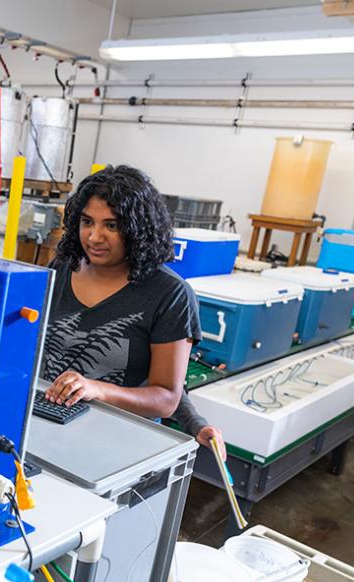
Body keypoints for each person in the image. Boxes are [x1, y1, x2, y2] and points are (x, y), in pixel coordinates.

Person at [41, 165, 224, 457]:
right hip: (46, 425)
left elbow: (166, 396)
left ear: (138, 229)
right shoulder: (61, 269)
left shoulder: (169, 295)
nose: (95, 236)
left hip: (117, 446)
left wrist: (96, 389)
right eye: (87, 221)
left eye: (111, 225)